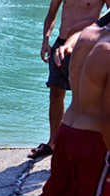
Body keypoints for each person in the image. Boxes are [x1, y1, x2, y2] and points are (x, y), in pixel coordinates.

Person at [27, 13, 110, 196]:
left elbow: (83, 29)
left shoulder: (88, 35)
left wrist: (65, 44)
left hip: (68, 128)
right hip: (95, 139)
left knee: (56, 187)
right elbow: (108, 116)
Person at [28, 0, 109, 159]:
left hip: (86, 45)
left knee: (84, 97)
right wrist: (45, 40)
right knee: (55, 95)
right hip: (60, 43)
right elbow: (51, 15)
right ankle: (52, 144)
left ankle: (85, 144)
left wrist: (91, 24)